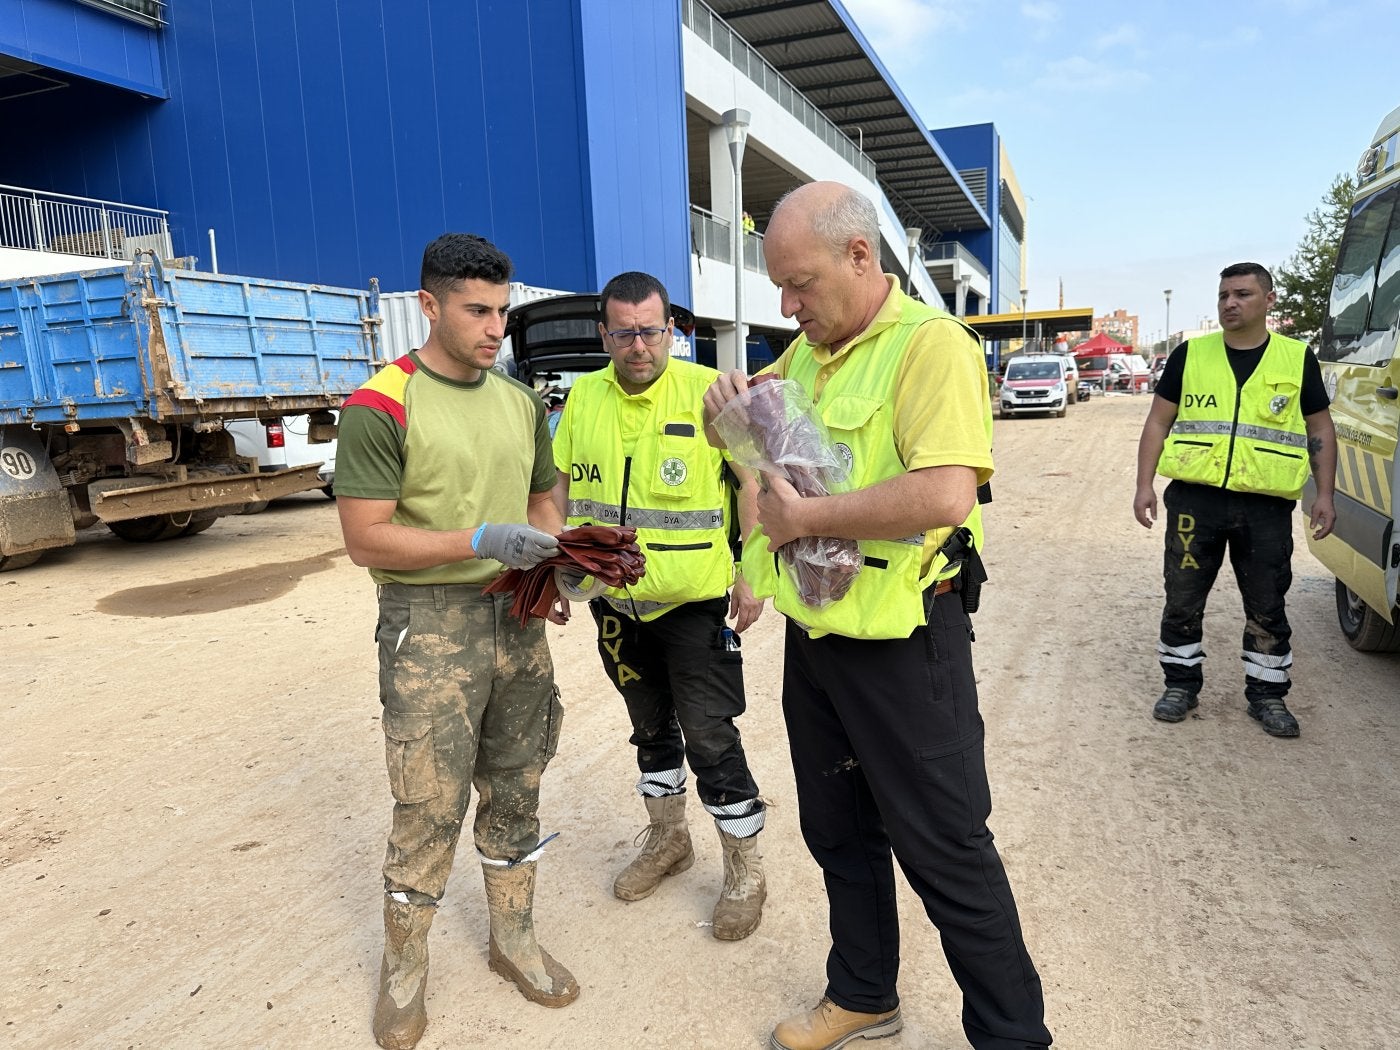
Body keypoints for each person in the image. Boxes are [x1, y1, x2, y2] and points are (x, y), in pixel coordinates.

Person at [703, 182, 1051, 1050]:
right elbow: (750, 449)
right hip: (819, 641)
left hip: (906, 645)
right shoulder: (808, 357)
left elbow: (945, 491)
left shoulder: (931, 347)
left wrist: (807, 520)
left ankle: (1014, 1038)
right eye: (780, 287)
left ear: (862, 257)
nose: (788, 305)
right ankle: (863, 992)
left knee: (945, 849)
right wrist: (726, 430)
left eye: (801, 283)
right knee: (839, 833)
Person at [336, 233, 578, 1050]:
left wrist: (554, 561)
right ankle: (403, 976)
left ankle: (513, 940)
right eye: (477, 310)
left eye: (503, 311)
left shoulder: (519, 402)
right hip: (427, 627)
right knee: (429, 804)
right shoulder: (381, 405)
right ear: (430, 305)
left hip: (516, 619)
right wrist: (479, 536)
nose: (494, 328)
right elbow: (367, 538)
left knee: (516, 785)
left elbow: (548, 498)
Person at [550, 270, 769, 940]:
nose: (639, 345)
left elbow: (755, 483)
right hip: (615, 608)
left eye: (651, 331)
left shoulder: (709, 392)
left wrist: (754, 572)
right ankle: (669, 840)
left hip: (694, 607)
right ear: (604, 334)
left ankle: (746, 868)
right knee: (651, 733)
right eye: (625, 332)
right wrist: (553, 578)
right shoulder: (582, 398)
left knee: (710, 736)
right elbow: (559, 492)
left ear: (671, 329)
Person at [1134, 261, 1336, 738]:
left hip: (1265, 507)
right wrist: (1144, 484)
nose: (1230, 303)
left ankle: (1267, 696)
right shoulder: (1191, 355)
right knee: (1182, 600)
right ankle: (1180, 685)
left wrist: (1324, 494)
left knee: (1267, 603)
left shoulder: (1294, 357)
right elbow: (1158, 421)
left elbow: (1320, 428)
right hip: (1194, 503)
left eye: (1242, 294)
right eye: (1224, 295)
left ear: (1269, 301)